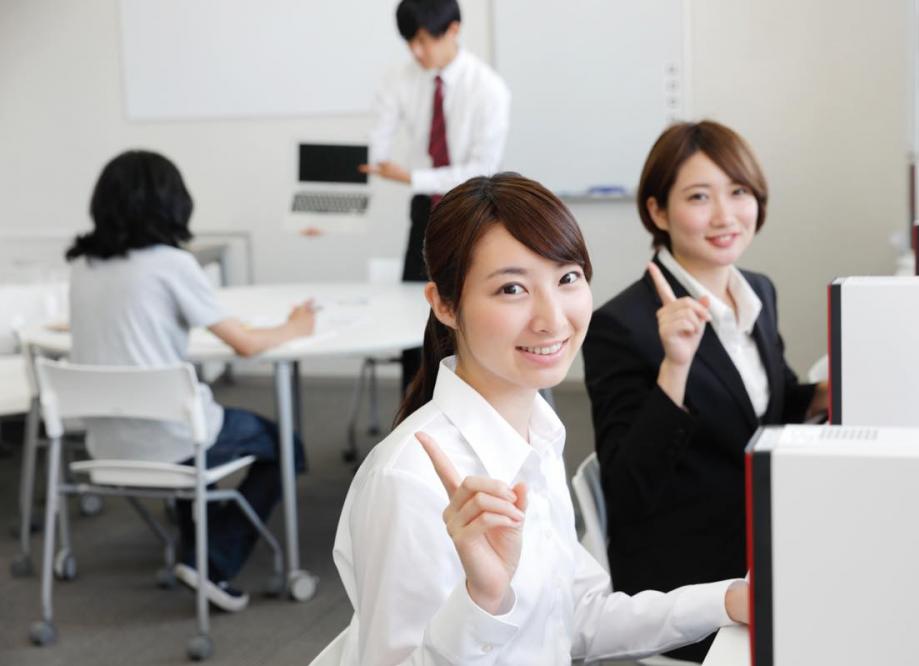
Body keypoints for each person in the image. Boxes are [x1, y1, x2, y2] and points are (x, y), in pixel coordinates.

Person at [323, 173, 748, 665]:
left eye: (567, 278)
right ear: (444, 304)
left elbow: (575, 617)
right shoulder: (409, 478)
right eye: (511, 289)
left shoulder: (536, 434)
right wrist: (485, 601)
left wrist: (725, 601)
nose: (552, 317)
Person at [582, 120, 828, 661]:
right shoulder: (622, 325)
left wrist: (822, 394)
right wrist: (675, 366)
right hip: (687, 569)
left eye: (738, 192)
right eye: (699, 197)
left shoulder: (756, 290)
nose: (725, 215)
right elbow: (627, 489)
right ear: (658, 212)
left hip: (754, 524)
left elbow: (766, 405)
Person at [66, 150, 316, 612]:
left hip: (103, 446)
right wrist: (295, 328)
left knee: (191, 433)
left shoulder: (82, 268)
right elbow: (243, 343)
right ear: (172, 201)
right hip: (174, 438)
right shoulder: (170, 263)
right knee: (286, 447)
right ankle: (212, 559)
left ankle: (196, 544)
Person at [360, 0, 511, 392]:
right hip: (425, 209)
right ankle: (413, 404)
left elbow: (481, 169)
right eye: (410, 41)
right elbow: (379, 135)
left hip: (471, 209)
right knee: (413, 312)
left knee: (466, 312)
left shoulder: (489, 89)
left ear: (454, 30)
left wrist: (412, 176)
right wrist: (374, 162)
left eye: (425, 40)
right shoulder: (401, 78)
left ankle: (469, 399)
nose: (417, 51)